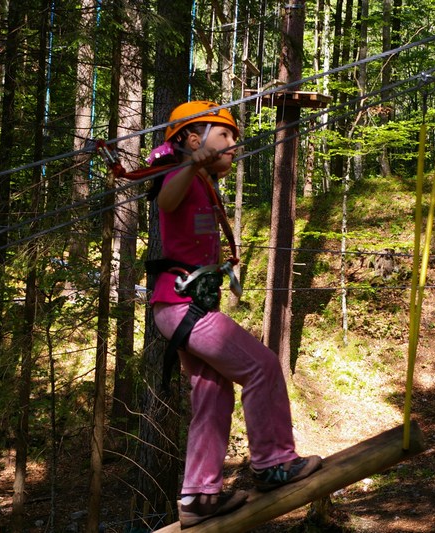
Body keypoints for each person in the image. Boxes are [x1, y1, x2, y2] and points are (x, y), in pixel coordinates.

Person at [148, 100, 322, 527]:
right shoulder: (179, 175)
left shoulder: (202, 183)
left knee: (213, 392)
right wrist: (191, 164)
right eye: (224, 135)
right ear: (193, 140)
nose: (233, 145)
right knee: (262, 366)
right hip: (182, 306)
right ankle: (273, 463)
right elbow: (165, 202)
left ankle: (198, 496)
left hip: (184, 307)